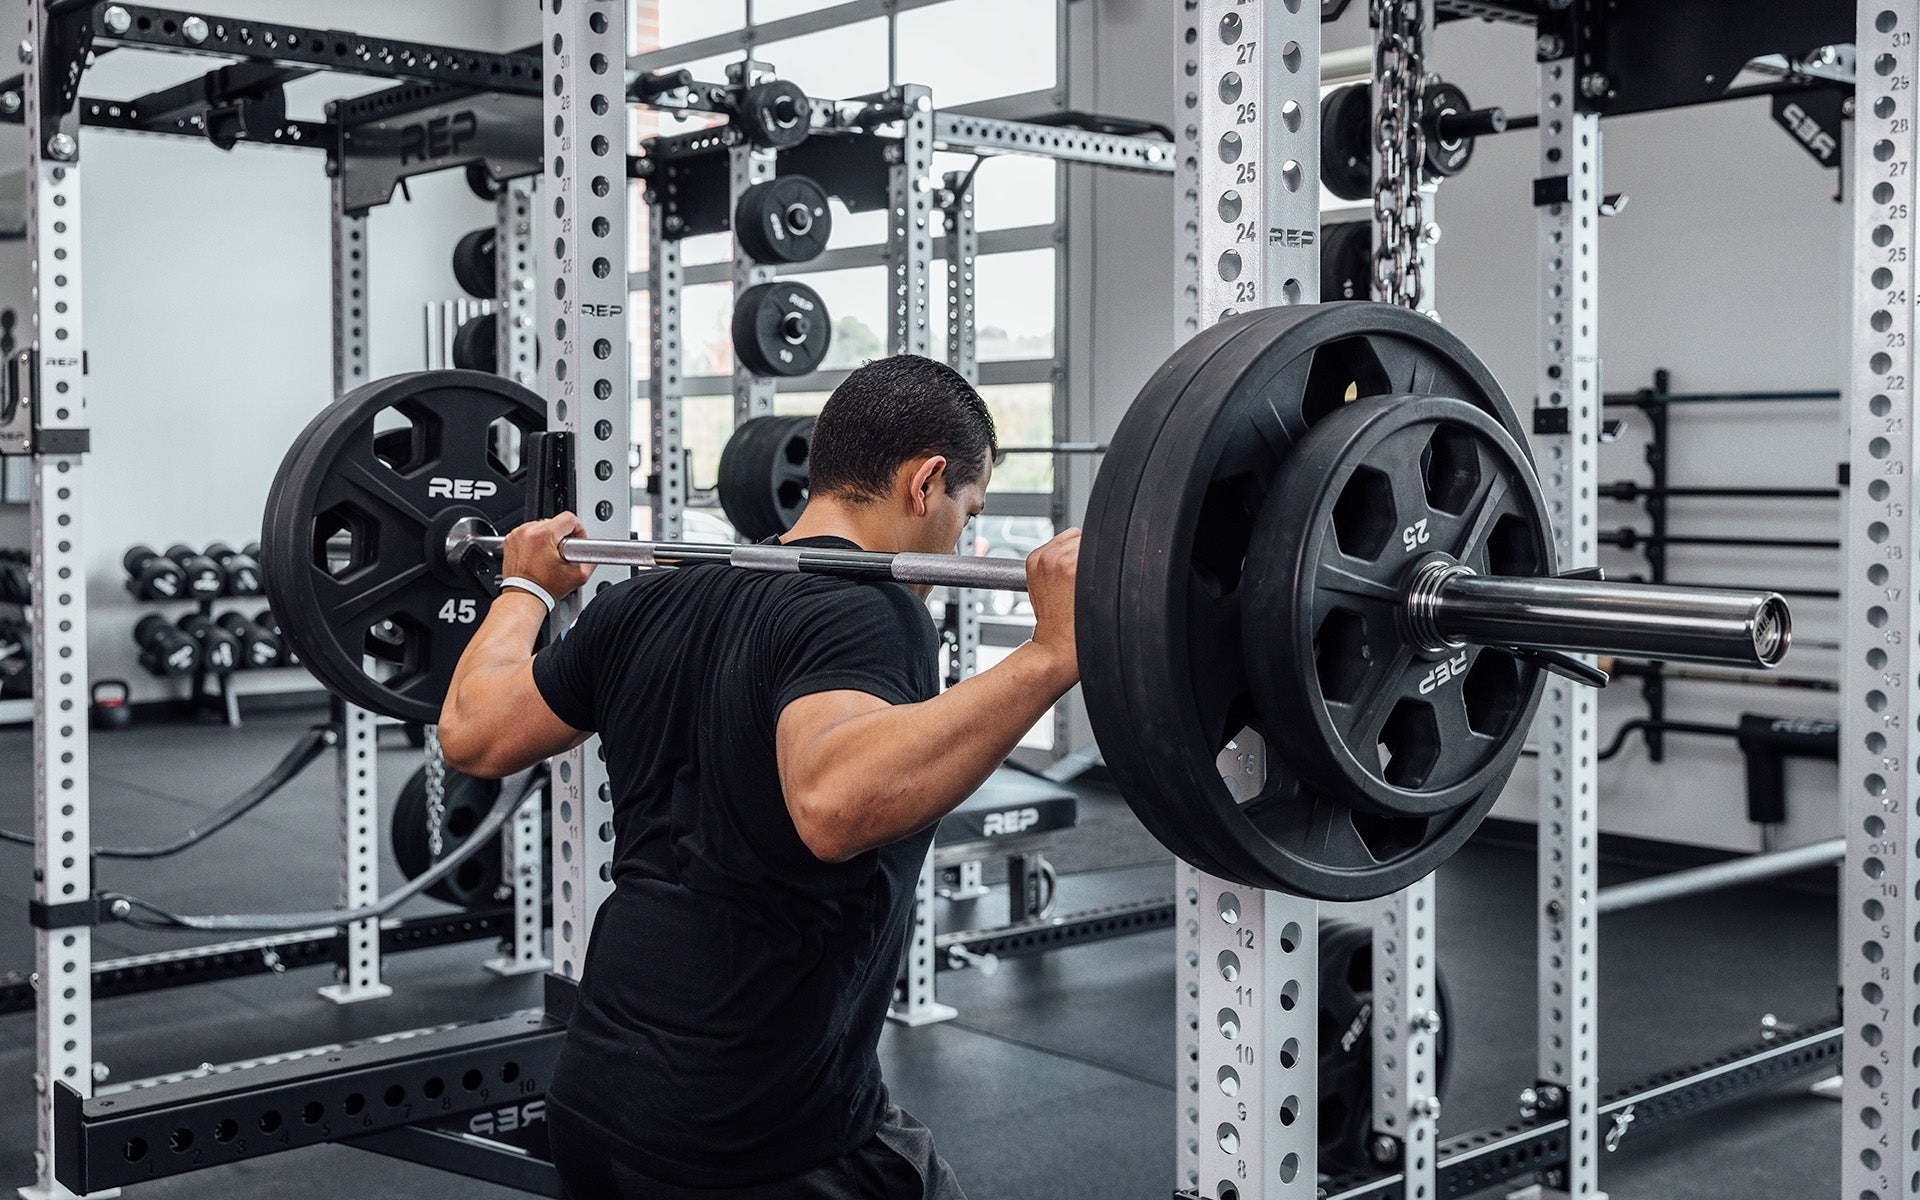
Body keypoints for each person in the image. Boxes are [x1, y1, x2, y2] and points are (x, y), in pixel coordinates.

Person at [438, 353, 1082, 1199]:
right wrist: (1050, 655)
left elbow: (472, 731)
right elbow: (831, 802)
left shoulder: (649, 599)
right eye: (969, 508)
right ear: (925, 483)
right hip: (757, 1139)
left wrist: (523, 584)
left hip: (596, 1102)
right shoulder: (869, 612)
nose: (963, 536)